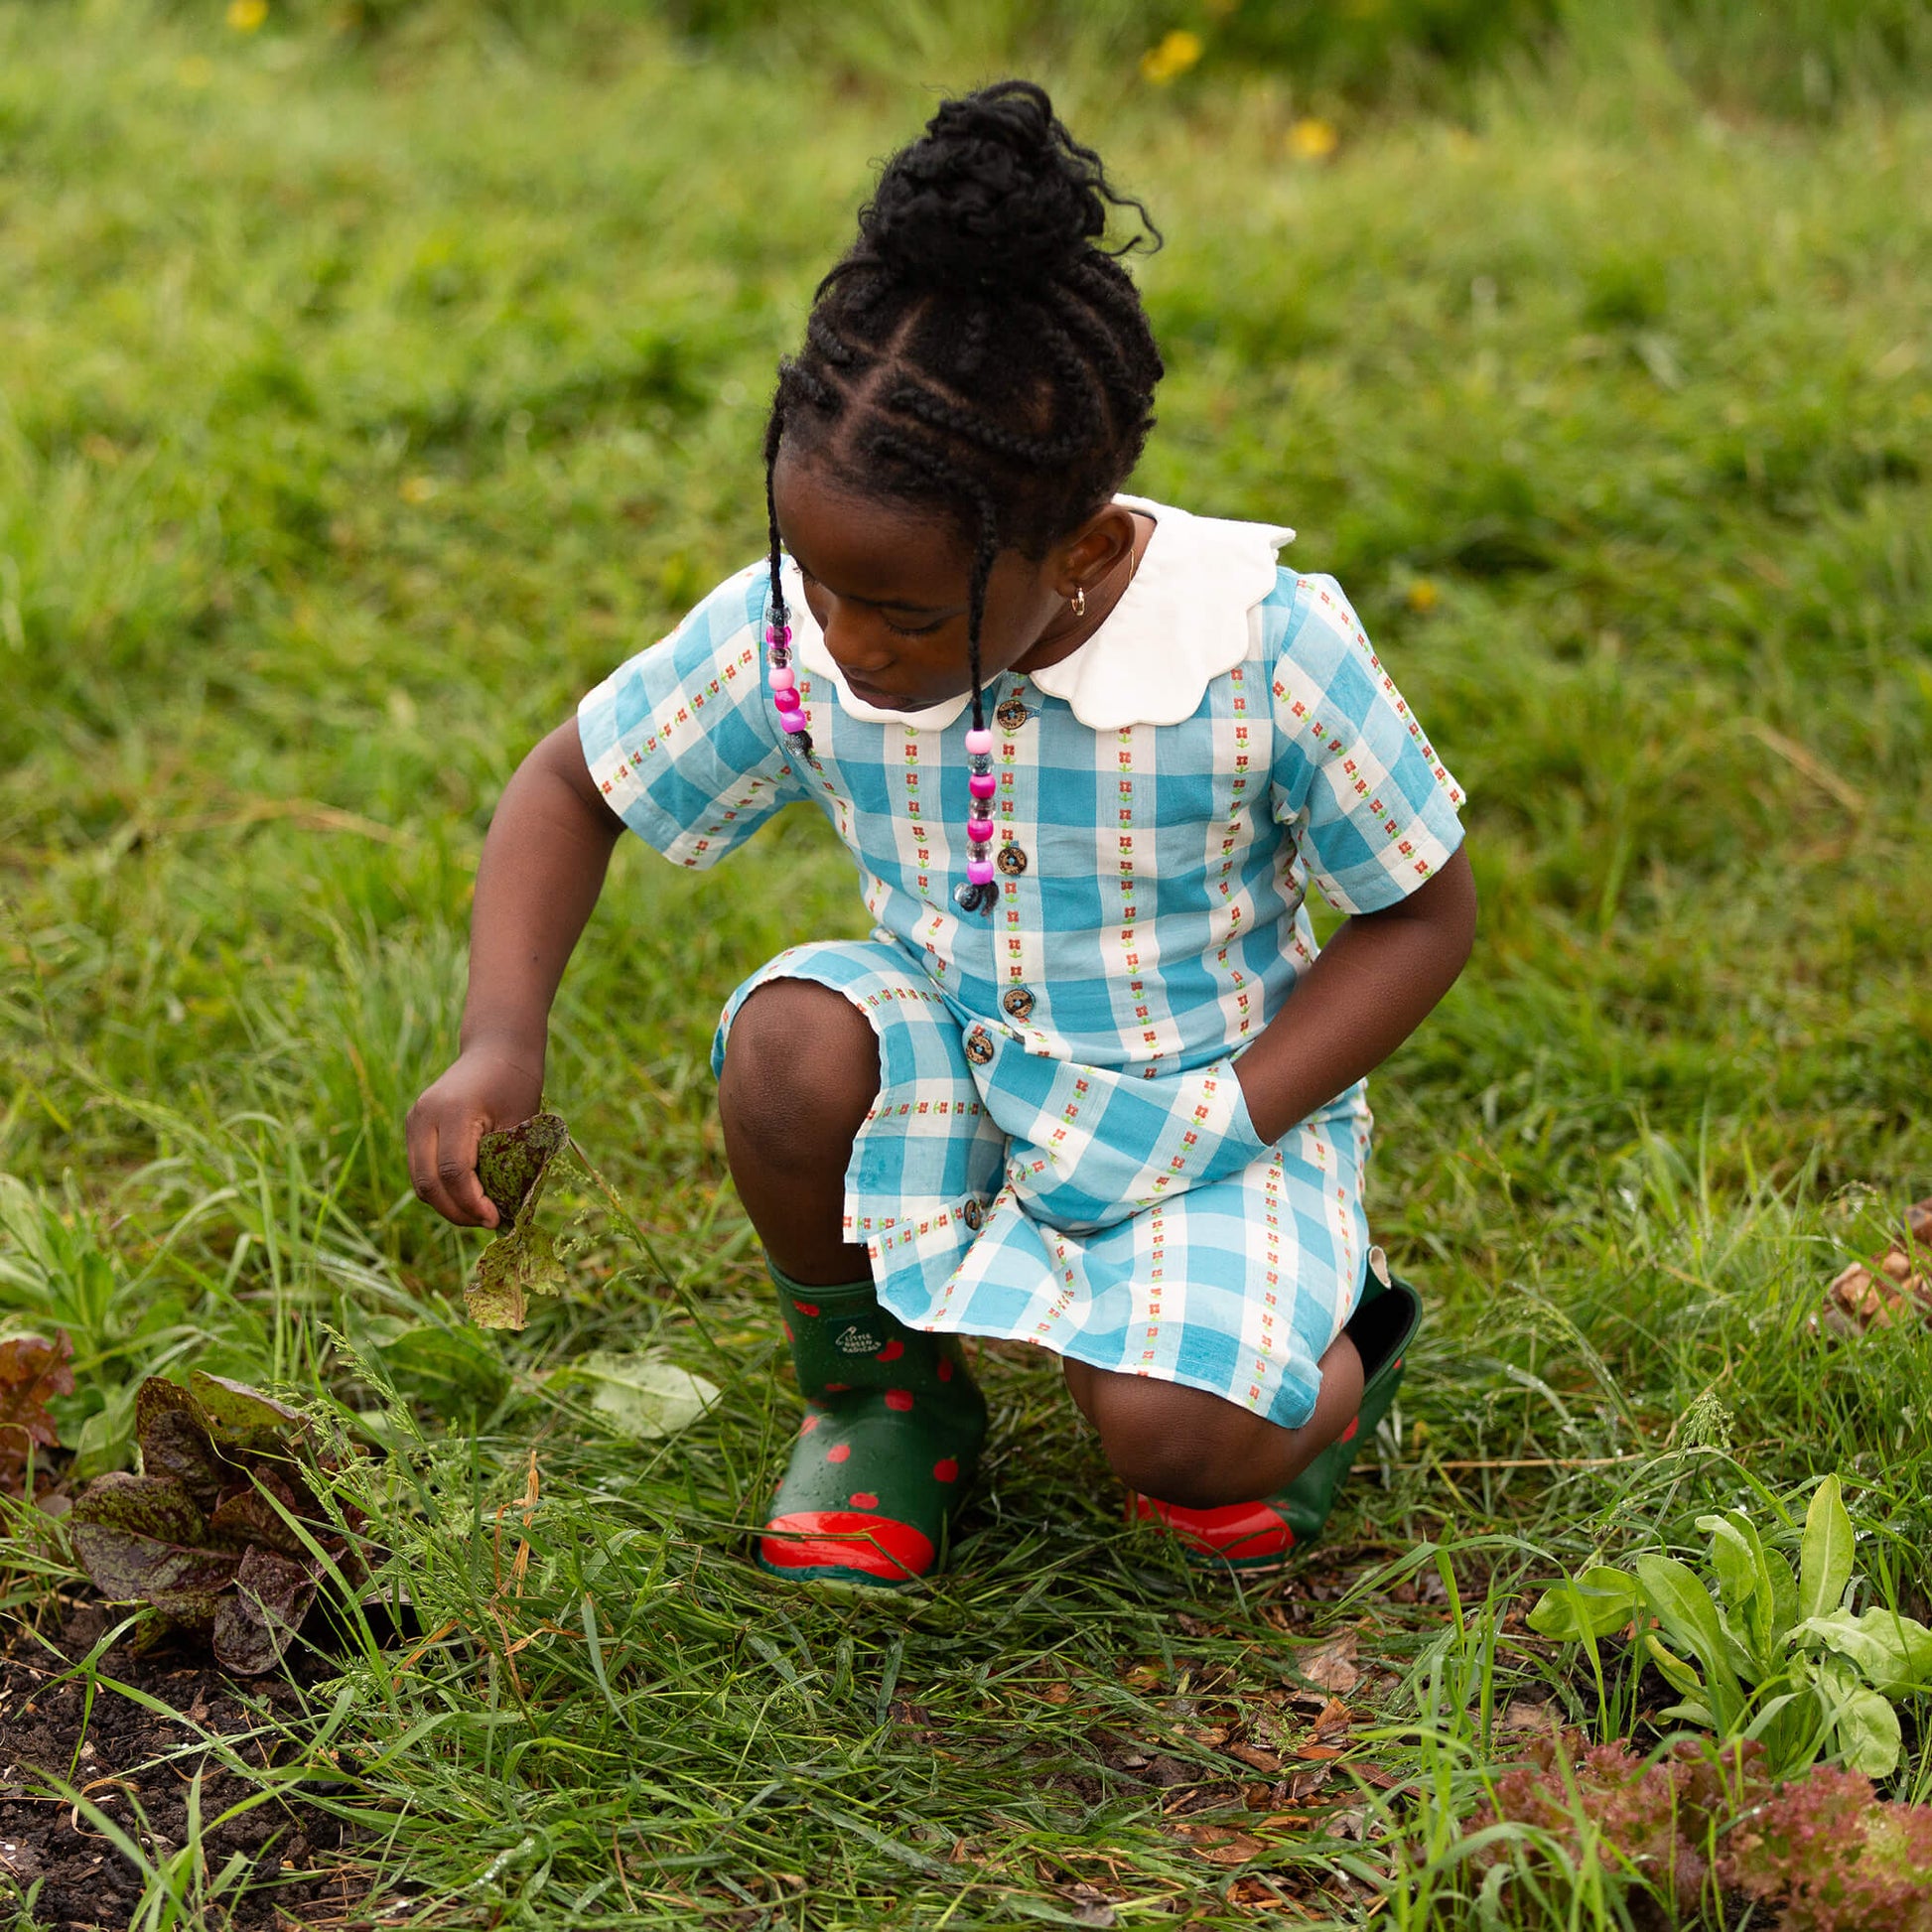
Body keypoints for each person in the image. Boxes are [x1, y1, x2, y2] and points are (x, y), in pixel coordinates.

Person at [406, 79, 1476, 1587]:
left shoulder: (1257, 654)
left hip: (1207, 1114)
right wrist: (497, 1036)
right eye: (817, 585)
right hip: (950, 1074)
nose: (841, 643)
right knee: (787, 1040)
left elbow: (1424, 915)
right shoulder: (812, 631)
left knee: (1173, 1444)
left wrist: (1233, 1112)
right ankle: (881, 1394)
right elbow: (569, 785)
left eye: (901, 612)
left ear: (1085, 549)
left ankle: (1326, 1347)